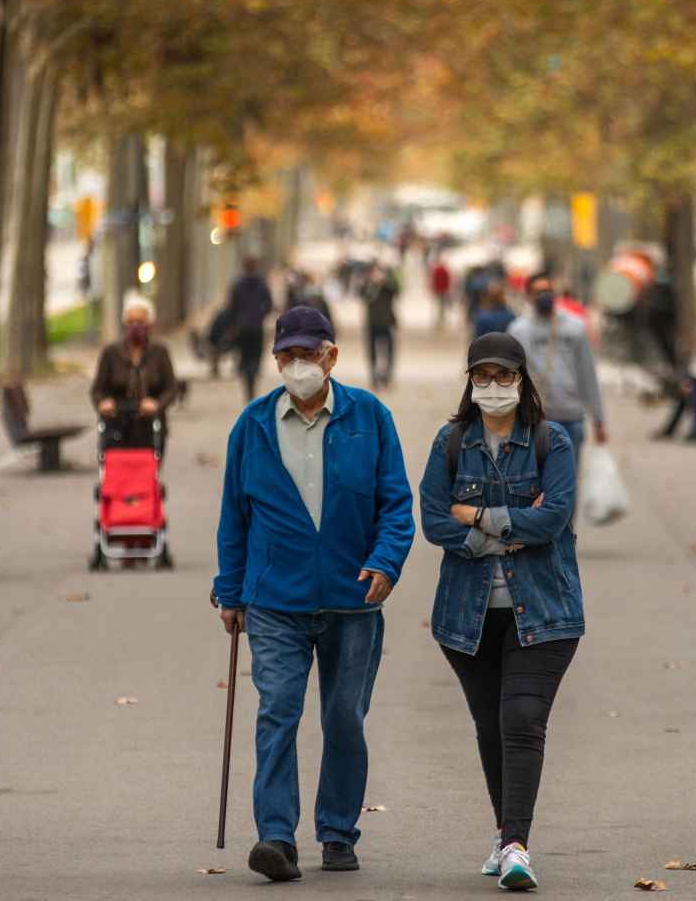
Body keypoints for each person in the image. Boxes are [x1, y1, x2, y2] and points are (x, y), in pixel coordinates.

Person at [213, 306, 414, 884]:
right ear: (276, 360)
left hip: (353, 599)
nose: (298, 364)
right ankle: (276, 836)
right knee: (277, 710)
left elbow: (395, 503)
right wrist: (230, 592)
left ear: (332, 355)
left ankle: (337, 831)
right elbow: (234, 517)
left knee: (344, 717)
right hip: (275, 599)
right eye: (288, 355)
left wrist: (386, 562)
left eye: (309, 353)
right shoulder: (251, 425)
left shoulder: (369, 417)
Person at [419, 332, 581, 892]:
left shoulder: (550, 442)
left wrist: (478, 517)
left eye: (503, 376)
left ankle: (516, 845)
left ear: (522, 380)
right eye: (482, 377)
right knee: (491, 727)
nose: (493, 387)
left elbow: (554, 520)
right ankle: (503, 832)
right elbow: (435, 522)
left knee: (521, 722)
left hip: (545, 612)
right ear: (469, 382)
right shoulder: (450, 443)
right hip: (467, 617)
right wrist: (507, 529)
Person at [507, 272, 607, 453]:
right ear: (528, 296)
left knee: (568, 478)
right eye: (538, 292)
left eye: (547, 290)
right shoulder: (517, 330)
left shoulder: (575, 327)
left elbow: (587, 372)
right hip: (535, 418)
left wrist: (598, 418)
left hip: (572, 417)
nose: (544, 296)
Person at [89, 296, 180, 458]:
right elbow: (97, 390)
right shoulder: (111, 353)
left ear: (149, 324)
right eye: (130, 322)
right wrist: (102, 403)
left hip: (149, 426)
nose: (135, 326)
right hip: (116, 423)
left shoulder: (160, 352)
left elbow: (172, 388)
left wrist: (157, 404)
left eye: (140, 321)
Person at [226, 256, 275, 403]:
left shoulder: (237, 284)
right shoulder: (262, 283)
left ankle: (248, 386)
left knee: (245, 357)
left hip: (242, 328)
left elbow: (231, 307)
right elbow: (269, 304)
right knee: (255, 356)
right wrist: (260, 315)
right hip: (256, 327)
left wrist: (232, 324)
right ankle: (252, 381)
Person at [363, 264, 399, 389]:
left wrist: (384, 281)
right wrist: (372, 284)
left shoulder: (387, 286)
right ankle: (374, 377)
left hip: (387, 322)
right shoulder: (368, 285)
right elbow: (363, 294)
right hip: (372, 323)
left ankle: (387, 377)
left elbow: (396, 290)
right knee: (372, 352)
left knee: (389, 352)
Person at [431, 257, 453, 329]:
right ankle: (442, 316)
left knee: (439, 304)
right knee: (442, 304)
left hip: (439, 289)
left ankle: (440, 316)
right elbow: (448, 280)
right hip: (443, 289)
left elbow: (434, 280)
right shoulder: (445, 270)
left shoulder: (437, 270)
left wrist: (434, 288)